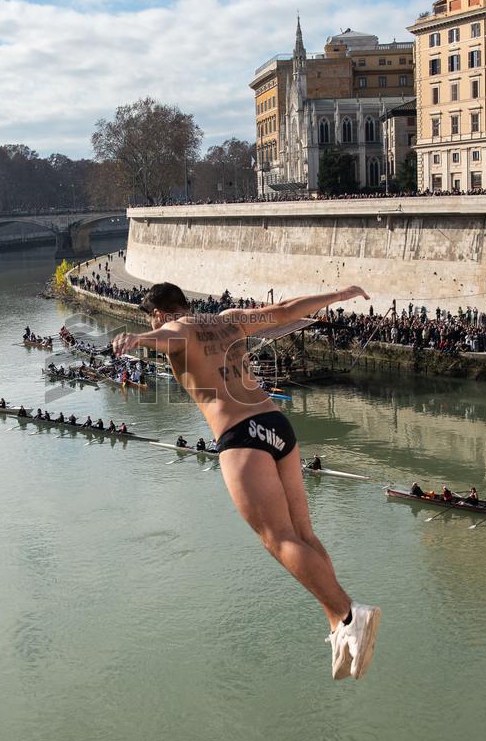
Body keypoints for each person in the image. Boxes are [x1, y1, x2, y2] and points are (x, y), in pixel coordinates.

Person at [113, 280, 380, 681]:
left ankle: (349, 613)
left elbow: (166, 336)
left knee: (278, 540)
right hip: (276, 425)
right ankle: (337, 625)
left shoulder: (175, 328)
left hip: (241, 437)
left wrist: (138, 339)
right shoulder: (229, 319)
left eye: (152, 318)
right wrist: (336, 296)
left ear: (159, 313)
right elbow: (285, 310)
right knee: (303, 534)